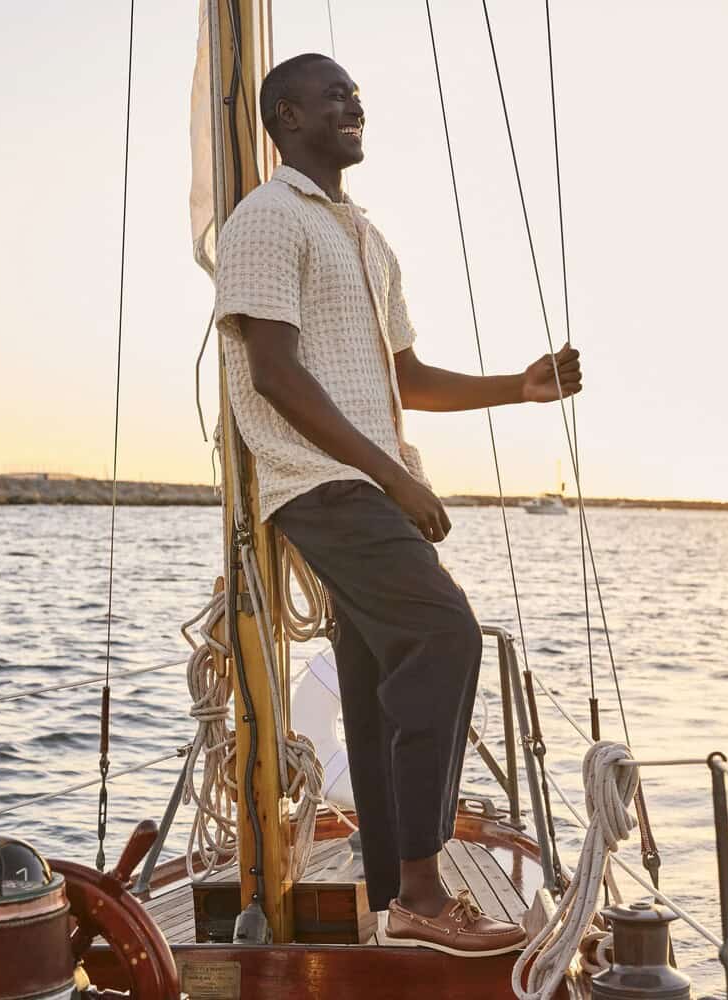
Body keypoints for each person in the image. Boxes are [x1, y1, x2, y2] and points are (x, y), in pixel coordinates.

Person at [214, 53, 581, 957]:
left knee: (382, 684)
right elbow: (273, 370)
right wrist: (400, 479)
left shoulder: (365, 235)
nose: (355, 106)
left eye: (358, 96)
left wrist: (518, 389)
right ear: (285, 117)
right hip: (319, 481)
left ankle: (396, 899)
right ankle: (422, 886)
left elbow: (402, 375)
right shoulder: (264, 219)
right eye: (333, 96)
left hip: (364, 476)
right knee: (444, 633)